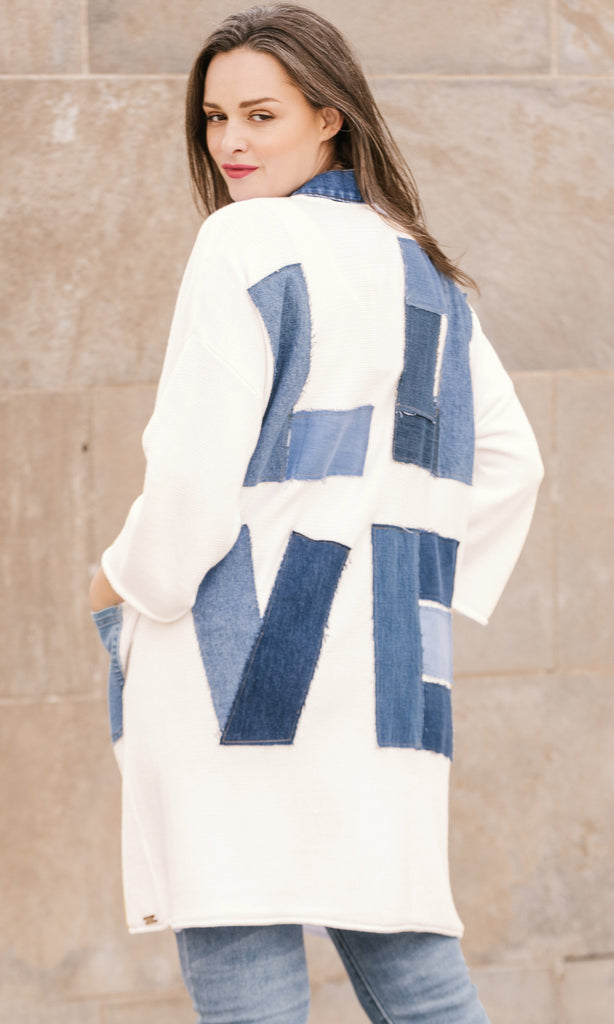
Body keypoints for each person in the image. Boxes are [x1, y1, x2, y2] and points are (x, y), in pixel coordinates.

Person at [89, 4, 544, 1022]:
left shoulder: (242, 239)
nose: (231, 142)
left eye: (262, 115)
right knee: (419, 983)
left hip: (235, 666)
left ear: (329, 116)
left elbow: (193, 475)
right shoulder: (420, 266)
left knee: (246, 973)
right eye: (215, 118)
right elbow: (512, 461)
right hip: (387, 679)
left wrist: (122, 579)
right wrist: (410, 576)